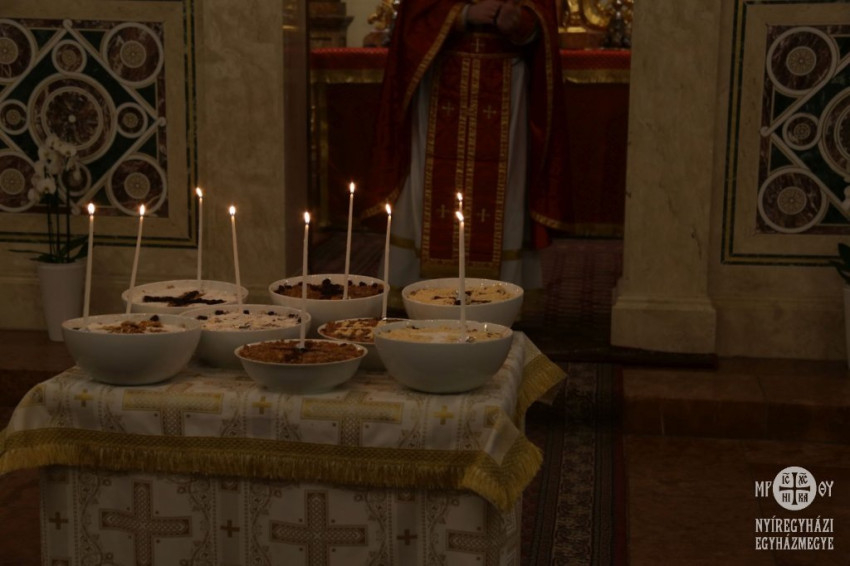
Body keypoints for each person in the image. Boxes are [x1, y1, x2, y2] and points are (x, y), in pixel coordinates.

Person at [364, 0, 569, 307]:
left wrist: (521, 22)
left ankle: (499, 298)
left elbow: (542, 20)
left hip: (506, 78)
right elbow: (414, 18)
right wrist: (462, 15)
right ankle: (419, 293)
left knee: (506, 184)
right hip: (441, 75)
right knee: (426, 183)